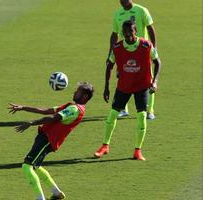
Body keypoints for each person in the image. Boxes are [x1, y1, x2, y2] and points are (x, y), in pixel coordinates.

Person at [8, 82, 94, 200]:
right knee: (36, 166)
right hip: (45, 137)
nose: (74, 92)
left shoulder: (74, 109)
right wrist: (23, 108)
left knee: (27, 166)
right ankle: (56, 192)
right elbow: (46, 111)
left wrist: (32, 123)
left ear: (85, 96)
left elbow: (54, 117)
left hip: (48, 140)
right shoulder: (71, 106)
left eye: (78, 91)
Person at [94, 20, 161, 160]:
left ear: (135, 31)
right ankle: (105, 146)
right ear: (122, 33)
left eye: (130, 31)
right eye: (125, 32)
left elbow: (157, 62)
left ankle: (137, 150)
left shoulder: (146, 45)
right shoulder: (117, 47)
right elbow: (109, 65)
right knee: (112, 115)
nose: (128, 34)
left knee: (142, 116)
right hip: (124, 86)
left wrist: (154, 81)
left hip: (142, 86)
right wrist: (106, 87)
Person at [108, 0, 157, 119]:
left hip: (142, 52)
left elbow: (150, 29)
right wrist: (110, 52)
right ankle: (123, 109)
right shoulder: (117, 14)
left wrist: (154, 48)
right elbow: (114, 34)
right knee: (124, 77)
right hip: (125, 51)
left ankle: (149, 110)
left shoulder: (141, 10)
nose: (122, 1)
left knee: (147, 80)